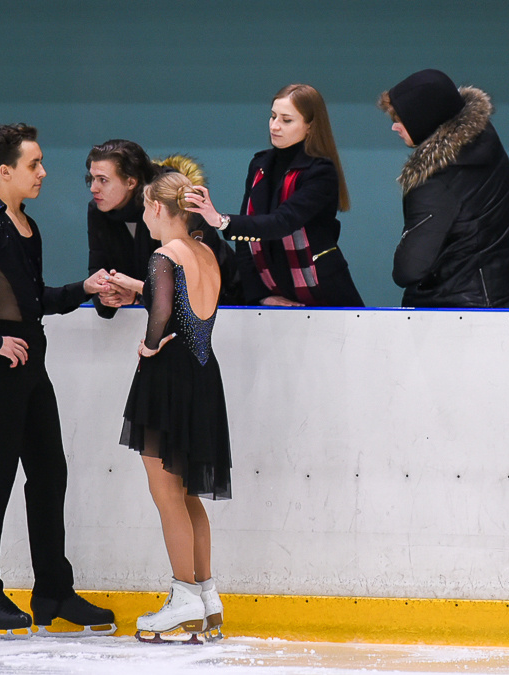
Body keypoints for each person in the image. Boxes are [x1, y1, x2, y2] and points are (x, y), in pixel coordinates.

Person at [0, 123, 115, 637]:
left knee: (49, 472)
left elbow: (36, 300)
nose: (43, 172)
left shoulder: (25, 224)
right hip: (1, 365)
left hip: (31, 361)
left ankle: (53, 590)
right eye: (34, 164)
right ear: (6, 171)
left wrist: (85, 288)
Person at [115, 171, 231, 642]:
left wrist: (146, 346)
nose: (144, 217)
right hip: (203, 375)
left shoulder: (163, 256)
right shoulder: (205, 251)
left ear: (160, 209)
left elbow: (163, 317)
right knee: (188, 495)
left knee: (167, 495)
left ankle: (182, 596)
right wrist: (139, 286)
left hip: (167, 378)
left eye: (145, 207)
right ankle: (206, 595)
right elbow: (187, 306)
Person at [185, 84, 364, 307]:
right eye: (272, 117)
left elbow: (282, 222)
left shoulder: (321, 171)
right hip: (272, 294)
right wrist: (261, 295)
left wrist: (221, 221)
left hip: (324, 293)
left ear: (310, 126)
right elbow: (245, 243)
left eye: (286, 120)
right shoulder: (259, 165)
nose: (275, 126)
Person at [377, 69, 509, 308]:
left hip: (456, 309)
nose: (394, 127)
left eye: (399, 118)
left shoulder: (436, 178)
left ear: (424, 116)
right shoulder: (483, 139)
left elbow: (409, 268)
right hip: (501, 294)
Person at [86, 139, 242, 317]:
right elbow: (98, 267)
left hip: (223, 311)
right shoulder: (97, 209)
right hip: (148, 316)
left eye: (102, 180)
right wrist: (108, 294)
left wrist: (137, 294)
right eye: (91, 178)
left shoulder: (177, 204)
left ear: (130, 182)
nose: (93, 188)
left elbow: (194, 285)